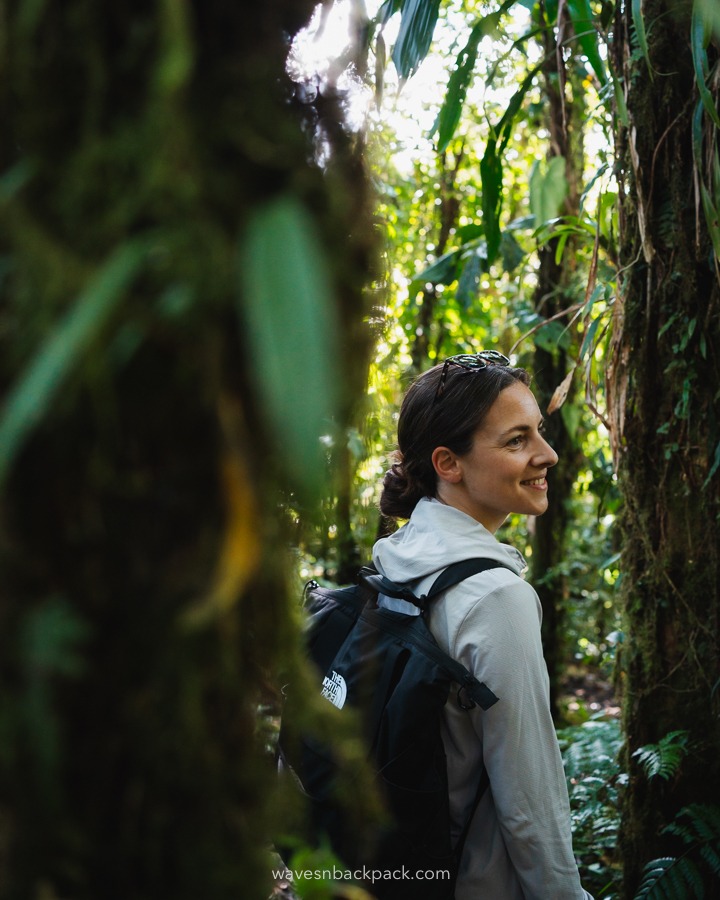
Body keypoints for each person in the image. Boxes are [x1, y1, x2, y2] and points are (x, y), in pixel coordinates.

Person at [372, 350, 593, 900]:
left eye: (539, 431)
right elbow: (530, 801)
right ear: (448, 463)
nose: (549, 454)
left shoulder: (398, 557)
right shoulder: (494, 597)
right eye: (517, 441)